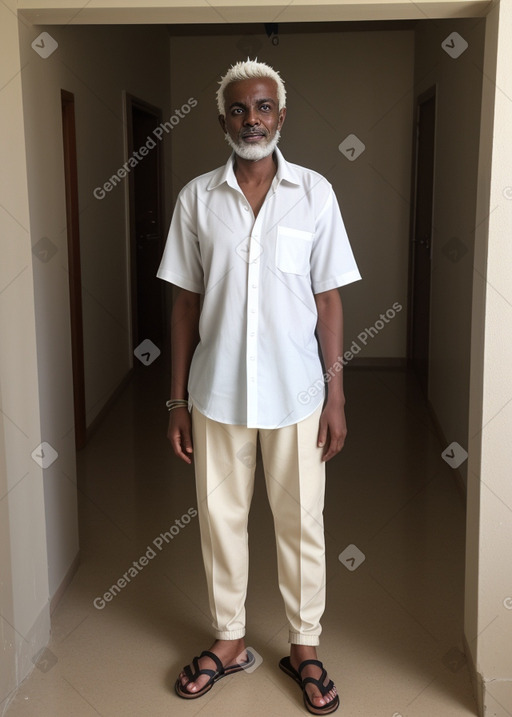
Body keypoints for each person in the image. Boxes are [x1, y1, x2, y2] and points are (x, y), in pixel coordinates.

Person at [157, 59, 361, 715]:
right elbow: (185, 304)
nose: (252, 119)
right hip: (215, 393)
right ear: (223, 121)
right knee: (221, 522)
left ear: (281, 116)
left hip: (300, 394)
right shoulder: (196, 198)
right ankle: (231, 639)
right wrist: (176, 399)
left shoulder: (315, 193)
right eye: (240, 109)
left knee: (302, 523)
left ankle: (304, 646)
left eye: (264, 107)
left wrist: (335, 395)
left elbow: (328, 301)